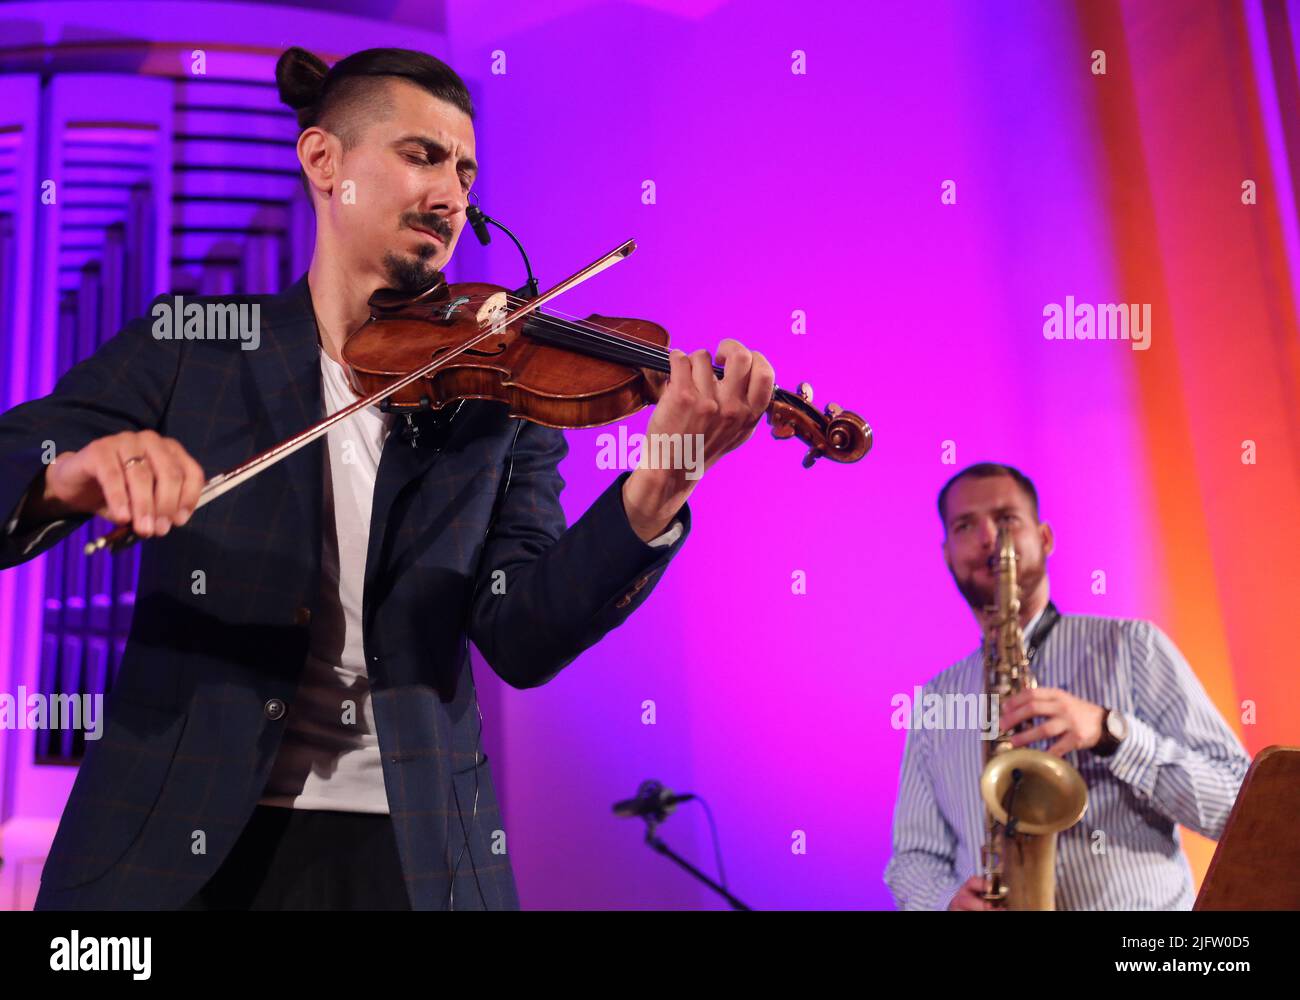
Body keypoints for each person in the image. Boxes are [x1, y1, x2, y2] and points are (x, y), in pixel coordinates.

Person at [0, 46, 774, 910]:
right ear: (324, 161)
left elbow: (522, 636)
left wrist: (664, 478)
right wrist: (68, 476)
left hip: (414, 853)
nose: (451, 194)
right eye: (420, 156)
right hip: (184, 847)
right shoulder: (198, 341)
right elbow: (16, 457)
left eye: (466, 170)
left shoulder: (500, 389)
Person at [883, 462, 1250, 910]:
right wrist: (944, 900)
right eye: (965, 525)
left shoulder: (1132, 646)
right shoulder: (936, 701)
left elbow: (1241, 808)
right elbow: (914, 858)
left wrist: (1111, 732)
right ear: (947, 554)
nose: (987, 538)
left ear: (1044, 538)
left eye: (1006, 519)